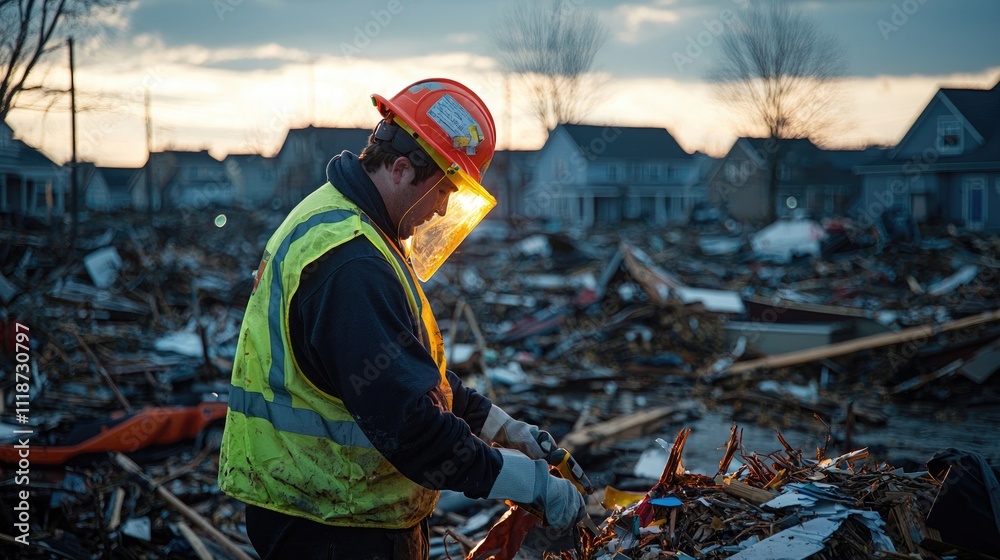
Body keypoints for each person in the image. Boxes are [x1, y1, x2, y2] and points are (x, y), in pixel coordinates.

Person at [218, 78, 587, 559]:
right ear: (399, 169)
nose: (442, 210)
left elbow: (398, 368)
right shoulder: (352, 263)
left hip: (329, 509)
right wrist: (533, 484)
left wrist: (498, 424)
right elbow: (412, 428)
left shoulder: (344, 224)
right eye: (443, 191)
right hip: (332, 521)